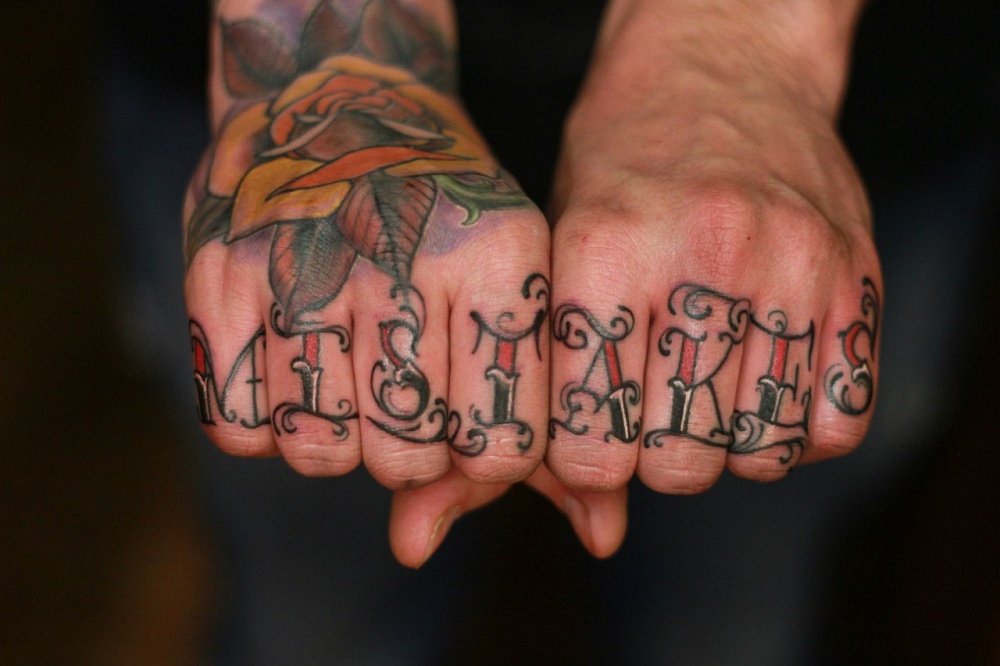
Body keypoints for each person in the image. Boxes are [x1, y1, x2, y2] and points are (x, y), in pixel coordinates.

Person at [183, 0, 881, 567]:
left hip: (783, 180)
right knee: (311, 581)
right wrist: (335, 67)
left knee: (732, 580)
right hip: (267, 165)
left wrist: (736, 43)